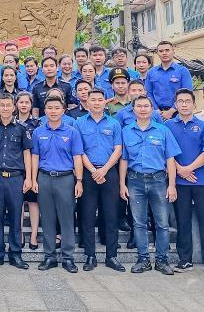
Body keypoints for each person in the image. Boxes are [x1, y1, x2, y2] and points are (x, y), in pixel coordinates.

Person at [119, 95, 180, 275]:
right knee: (139, 223)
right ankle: (143, 258)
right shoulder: (126, 131)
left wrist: (172, 185)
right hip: (135, 180)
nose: (143, 109)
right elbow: (124, 159)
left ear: (152, 109)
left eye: (146, 106)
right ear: (134, 109)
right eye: (139, 106)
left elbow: (170, 159)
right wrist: (122, 184)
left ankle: (162, 260)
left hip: (159, 180)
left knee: (162, 223)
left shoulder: (163, 130)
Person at [165, 89, 204, 274]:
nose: (184, 104)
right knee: (183, 221)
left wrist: (190, 168)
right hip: (179, 182)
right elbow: (168, 154)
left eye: (188, 101)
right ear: (176, 105)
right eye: (180, 101)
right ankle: (184, 259)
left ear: (194, 104)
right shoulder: (168, 126)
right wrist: (180, 169)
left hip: (202, 180)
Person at [31, 95, 83, 273]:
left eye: (56, 108)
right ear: (45, 111)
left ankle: (68, 257)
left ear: (63, 110)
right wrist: (33, 178)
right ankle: (49, 256)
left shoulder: (72, 132)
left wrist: (79, 181)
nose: (53, 111)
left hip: (66, 179)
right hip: (44, 178)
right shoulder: (38, 132)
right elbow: (35, 157)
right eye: (50, 108)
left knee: (67, 219)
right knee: (47, 219)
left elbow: (77, 157)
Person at [75, 89, 125, 272]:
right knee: (87, 216)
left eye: (100, 100)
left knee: (111, 216)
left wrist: (103, 170)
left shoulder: (114, 123)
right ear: (86, 103)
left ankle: (111, 256)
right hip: (88, 173)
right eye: (92, 100)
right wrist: (93, 170)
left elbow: (118, 149)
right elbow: (78, 151)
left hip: (109, 172)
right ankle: (90, 255)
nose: (96, 103)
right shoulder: (79, 123)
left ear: (106, 102)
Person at [0, 93, 32, 270]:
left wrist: (28, 177)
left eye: (8, 105)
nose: (5, 108)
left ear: (14, 107)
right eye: (2, 105)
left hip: (15, 178)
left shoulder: (21, 128)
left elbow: (27, 153)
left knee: (15, 217)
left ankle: (15, 254)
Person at [15, 91, 41, 250]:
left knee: (33, 202)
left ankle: (33, 235)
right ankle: (19, 234)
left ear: (31, 105)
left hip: (33, 168)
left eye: (27, 102)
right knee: (18, 203)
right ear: (16, 104)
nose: (24, 105)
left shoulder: (37, 124)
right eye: (21, 102)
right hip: (16, 168)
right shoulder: (11, 122)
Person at [144, 41, 194, 121]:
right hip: (156, 114)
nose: (164, 53)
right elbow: (148, 93)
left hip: (178, 114)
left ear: (173, 52)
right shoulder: (151, 72)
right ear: (157, 53)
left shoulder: (182, 71)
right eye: (161, 51)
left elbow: (187, 93)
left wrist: (171, 111)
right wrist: (156, 110)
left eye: (167, 50)